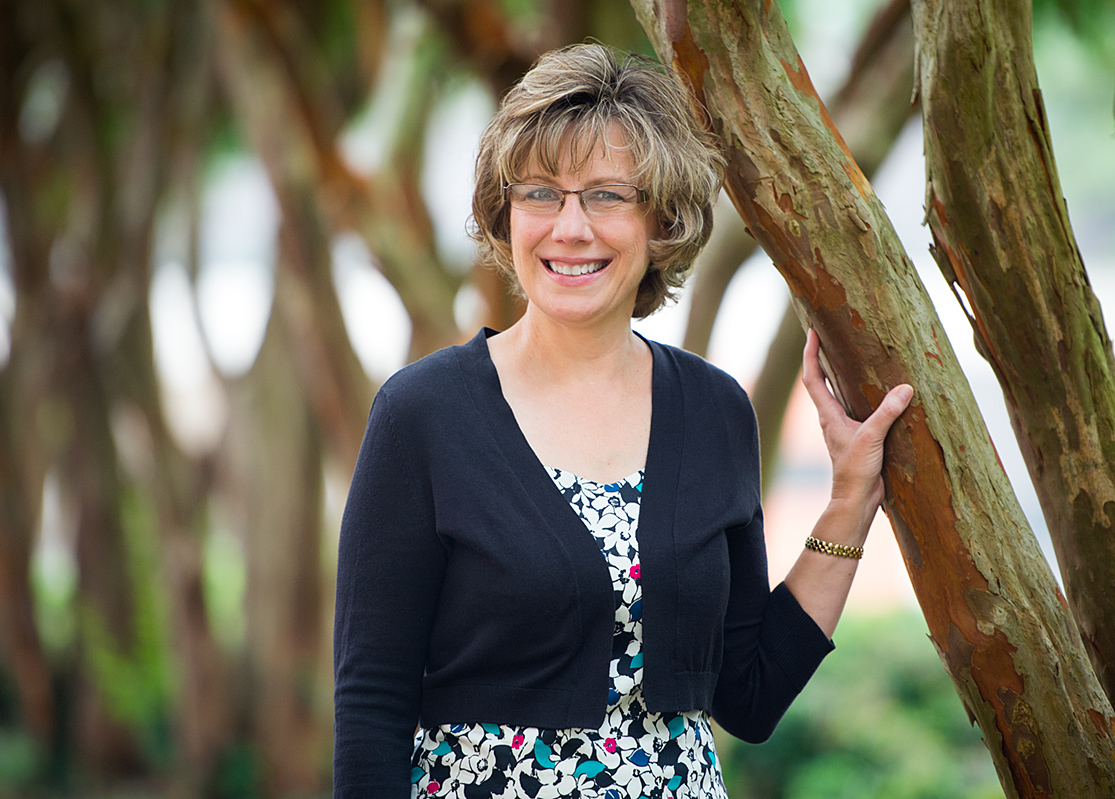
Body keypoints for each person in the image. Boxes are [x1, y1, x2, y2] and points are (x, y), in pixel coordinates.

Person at [333, 43, 913, 799]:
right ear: (505, 215)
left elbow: (749, 694)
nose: (570, 228)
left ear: (660, 220)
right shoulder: (422, 415)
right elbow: (372, 699)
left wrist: (849, 502)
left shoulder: (713, 412)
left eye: (607, 195)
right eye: (541, 193)